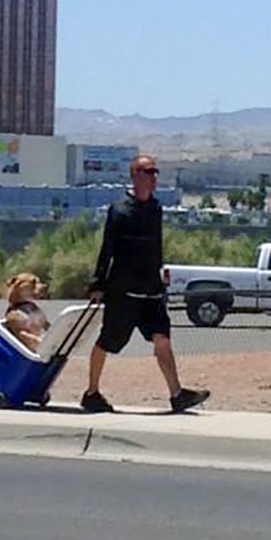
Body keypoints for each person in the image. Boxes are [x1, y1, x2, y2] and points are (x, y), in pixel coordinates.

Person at [81, 153, 210, 414]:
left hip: (151, 290)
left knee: (161, 338)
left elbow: (156, 247)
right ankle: (92, 392)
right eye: (148, 172)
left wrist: (159, 274)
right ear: (135, 176)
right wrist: (98, 284)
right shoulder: (119, 211)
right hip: (123, 292)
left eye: (155, 172)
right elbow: (108, 249)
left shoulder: (156, 209)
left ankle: (176, 394)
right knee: (107, 341)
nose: (154, 177)